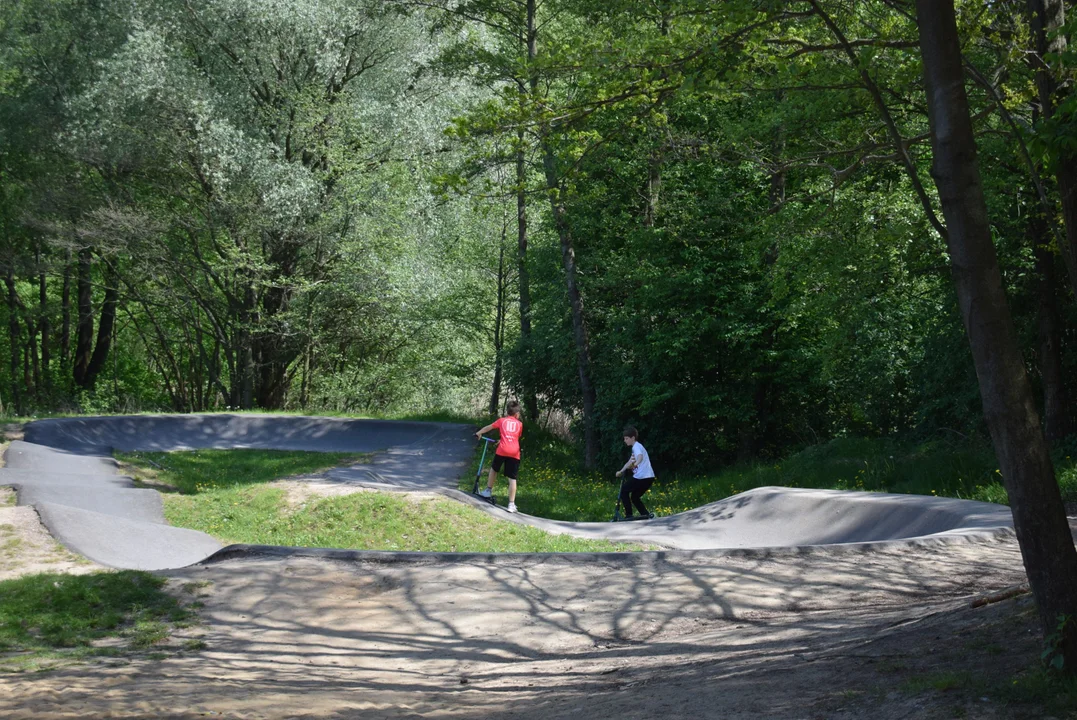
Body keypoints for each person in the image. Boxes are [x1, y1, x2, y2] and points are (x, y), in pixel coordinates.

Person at [474, 400, 524, 513]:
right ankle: (511, 504)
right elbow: (514, 437)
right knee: (512, 478)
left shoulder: (502, 421)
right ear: (517, 414)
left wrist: (479, 432)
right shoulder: (520, 424)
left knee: (494, 469)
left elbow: (489, 427)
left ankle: (488, 490)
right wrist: (503, 440)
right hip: (514, 452)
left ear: (507, 412)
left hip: (502, 450)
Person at [616, 426, 655, 519]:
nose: (625, 440)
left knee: (623, 491)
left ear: (633, 438)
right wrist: (621, 471)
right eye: (624, 438)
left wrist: (635, 464)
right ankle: (645, 514)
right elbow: (629, 462)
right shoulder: (636, 448)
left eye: (626, 438)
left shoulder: (637, 447)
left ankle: (629, 515)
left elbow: (640, 457)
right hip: (649, 477)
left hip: (642, 477)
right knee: (634, 497)